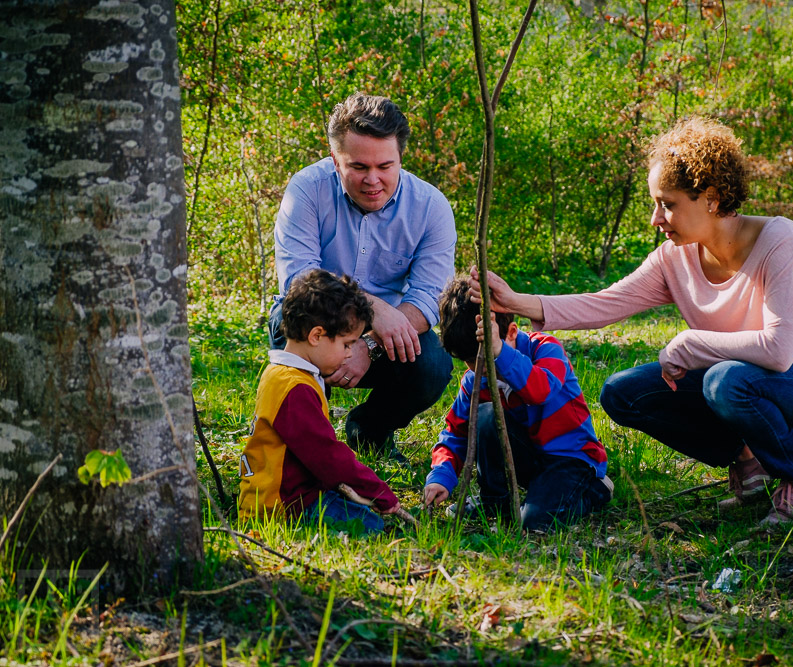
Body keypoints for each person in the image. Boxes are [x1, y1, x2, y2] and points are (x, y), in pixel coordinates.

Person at [471, 116, 793, 526]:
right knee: (623, 393)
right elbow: (606, 303)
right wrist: (517, 300)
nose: (655, 218)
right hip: (749, 380)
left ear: (712, 199)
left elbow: (780, 349)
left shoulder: (780, 241)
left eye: (667, 204)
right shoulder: (676, 258)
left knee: (726, 381)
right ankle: (750, 461)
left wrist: (690, 344)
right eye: (655, 203)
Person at [270, 93, 456, 461]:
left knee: (433, 364)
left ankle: (369, 431)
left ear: (401, 157)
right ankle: (304, 442)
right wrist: (374, 309)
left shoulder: (431, 207)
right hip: (314, 319)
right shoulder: (306, 190)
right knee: (287, 323)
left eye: (385, 166)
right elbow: (299, 282)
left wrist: (368, 344)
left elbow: (427, 298)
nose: (373, 180)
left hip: (388, 339)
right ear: (334, 158)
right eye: (358, 166)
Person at [423, 276, 613, 532]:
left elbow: (540, 391)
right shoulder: (474, 382)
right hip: (526, 459)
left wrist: (501, 353)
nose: (480, 369)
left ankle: (594, 490)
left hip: (569, 459)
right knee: (487, 415)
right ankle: (495, 501)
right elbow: (455, 434)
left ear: (511, 332)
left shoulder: (545, 350)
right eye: (470, 362)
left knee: (535, 522)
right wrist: (441, 477)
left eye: (485, 357)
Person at [239, 269, 404, 534]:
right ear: (316, 335)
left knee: (358, 512)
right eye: (347, 344)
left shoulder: (282, 373)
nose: (350, 354)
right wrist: (378, 492)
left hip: (286, 495)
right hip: (284, 507)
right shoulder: (294, 388)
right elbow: (327, 457)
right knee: (370, 524)